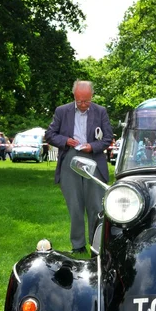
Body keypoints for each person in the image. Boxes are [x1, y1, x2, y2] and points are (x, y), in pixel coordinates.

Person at [45, 80, 113, 253]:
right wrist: (66, 141)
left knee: (96, 207)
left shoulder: (100, 111)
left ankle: (96, 246)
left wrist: (92, 146)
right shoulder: (62, 111)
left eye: (87, 101)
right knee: (74, 206)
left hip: (93, 158)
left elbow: (107, 138)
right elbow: (50, 134)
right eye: (80, 101)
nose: (83, 105)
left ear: (91, 97)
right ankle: (78, 246)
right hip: (70, 157)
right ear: (74, 96)